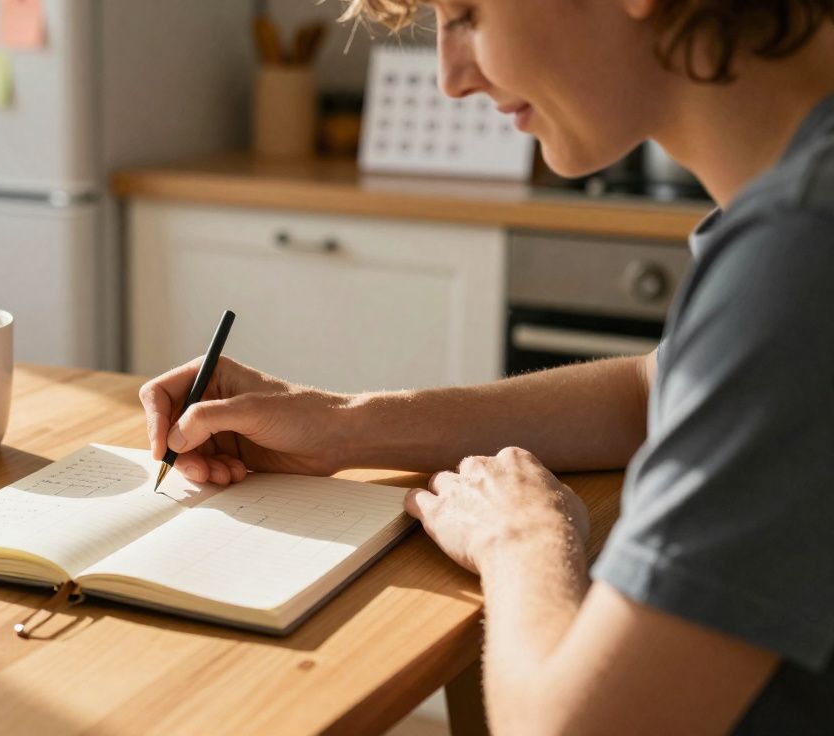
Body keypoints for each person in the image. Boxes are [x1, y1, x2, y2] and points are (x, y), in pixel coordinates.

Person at [139, 0, 834, 732]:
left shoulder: (801, 254)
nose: (450, 78)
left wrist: (523, 538)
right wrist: (342, 425)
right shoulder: (797, 203)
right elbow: (652, 392)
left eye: (468, 13)